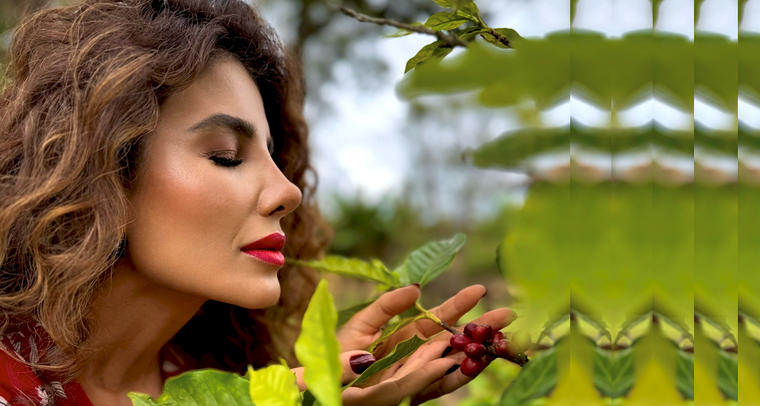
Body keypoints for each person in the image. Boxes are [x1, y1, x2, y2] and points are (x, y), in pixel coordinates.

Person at [0, 0, 516, 405]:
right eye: (226, 155)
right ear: (103, 168)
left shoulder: (225, 380)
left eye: (273, 157)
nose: (288, 193)